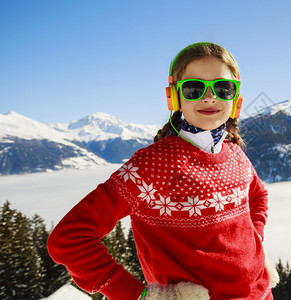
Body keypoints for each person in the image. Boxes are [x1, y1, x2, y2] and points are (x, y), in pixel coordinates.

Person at [47, 42, 277, 300]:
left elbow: (257, 195)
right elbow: (69, 238)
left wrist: (254, 239)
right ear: (175, 97)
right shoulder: (154, 164)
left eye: (223, 88)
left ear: (236, 98)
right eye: (194, 88)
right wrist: (134, 295)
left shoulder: (233, 152)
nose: (210, 96)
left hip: (260, 293)